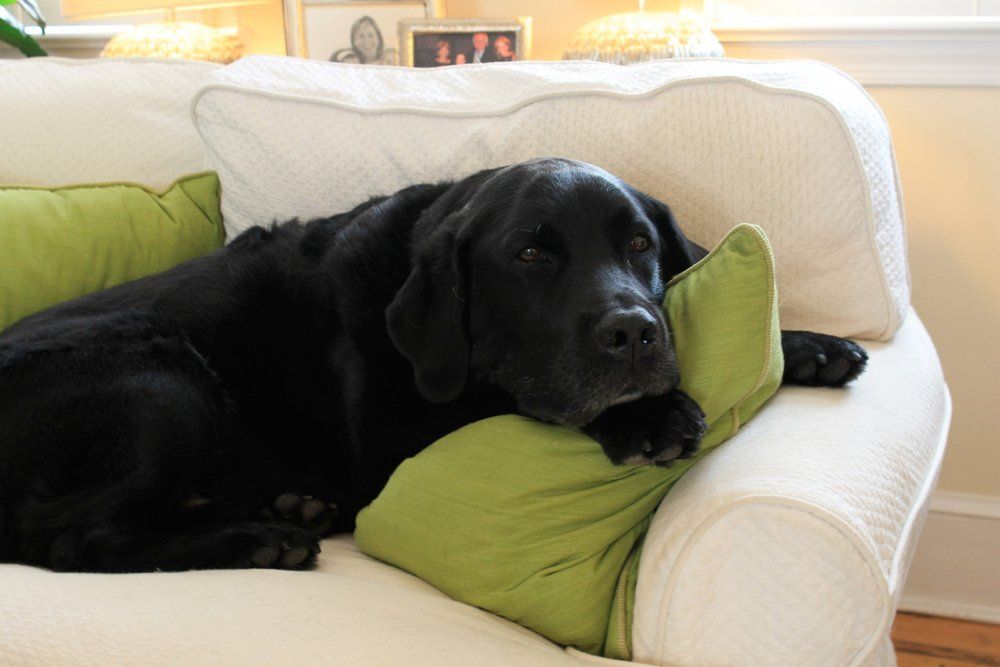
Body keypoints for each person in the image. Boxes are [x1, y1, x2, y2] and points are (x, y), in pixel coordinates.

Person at [330, 16, 396, 65]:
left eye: (371, 35)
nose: (367, 41)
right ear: (353, 42)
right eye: (361, 36)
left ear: (379, 38)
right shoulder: (349, 61)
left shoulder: (389, 58)